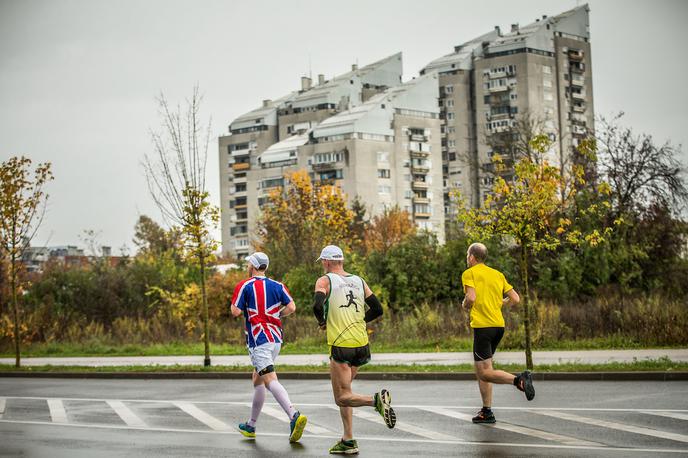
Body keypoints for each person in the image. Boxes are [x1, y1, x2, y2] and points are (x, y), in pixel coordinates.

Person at [312, 244, 395, 455]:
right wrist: (359, 320)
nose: (322, 265)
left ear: (328, 262)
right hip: (361, 344)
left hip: (341, 345)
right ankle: (348, 440)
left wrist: (323, 322)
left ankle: (375, 400)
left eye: (323, 261)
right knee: (346, 392)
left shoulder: (325, 280)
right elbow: (377, 308)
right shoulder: (359, 280)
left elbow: (316, 305)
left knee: (340, 397)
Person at [230, 251, 308, 442]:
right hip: (276, 339)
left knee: (270, 380)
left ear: (253, 266)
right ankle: (251, 425)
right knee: (258, 380)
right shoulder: (278, 286)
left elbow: (235, 311)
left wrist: (246, 309)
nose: (247, 267)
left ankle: (293, 415)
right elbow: (292, 307)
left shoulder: (245, 285)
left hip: (259, 341)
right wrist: (276, 316)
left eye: (248, 264)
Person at [461, 242, 535, 424]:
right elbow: (515, 298)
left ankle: (519, 380)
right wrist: (500, 304)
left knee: (485, 373)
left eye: (467, 256)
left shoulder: (469, 273)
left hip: (483, 327)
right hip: (498, 326)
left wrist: (465, 305)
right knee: (484, 369)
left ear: (472, 257)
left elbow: (470, 297)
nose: (467, 259)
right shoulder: (497, 274)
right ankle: (487, 412)